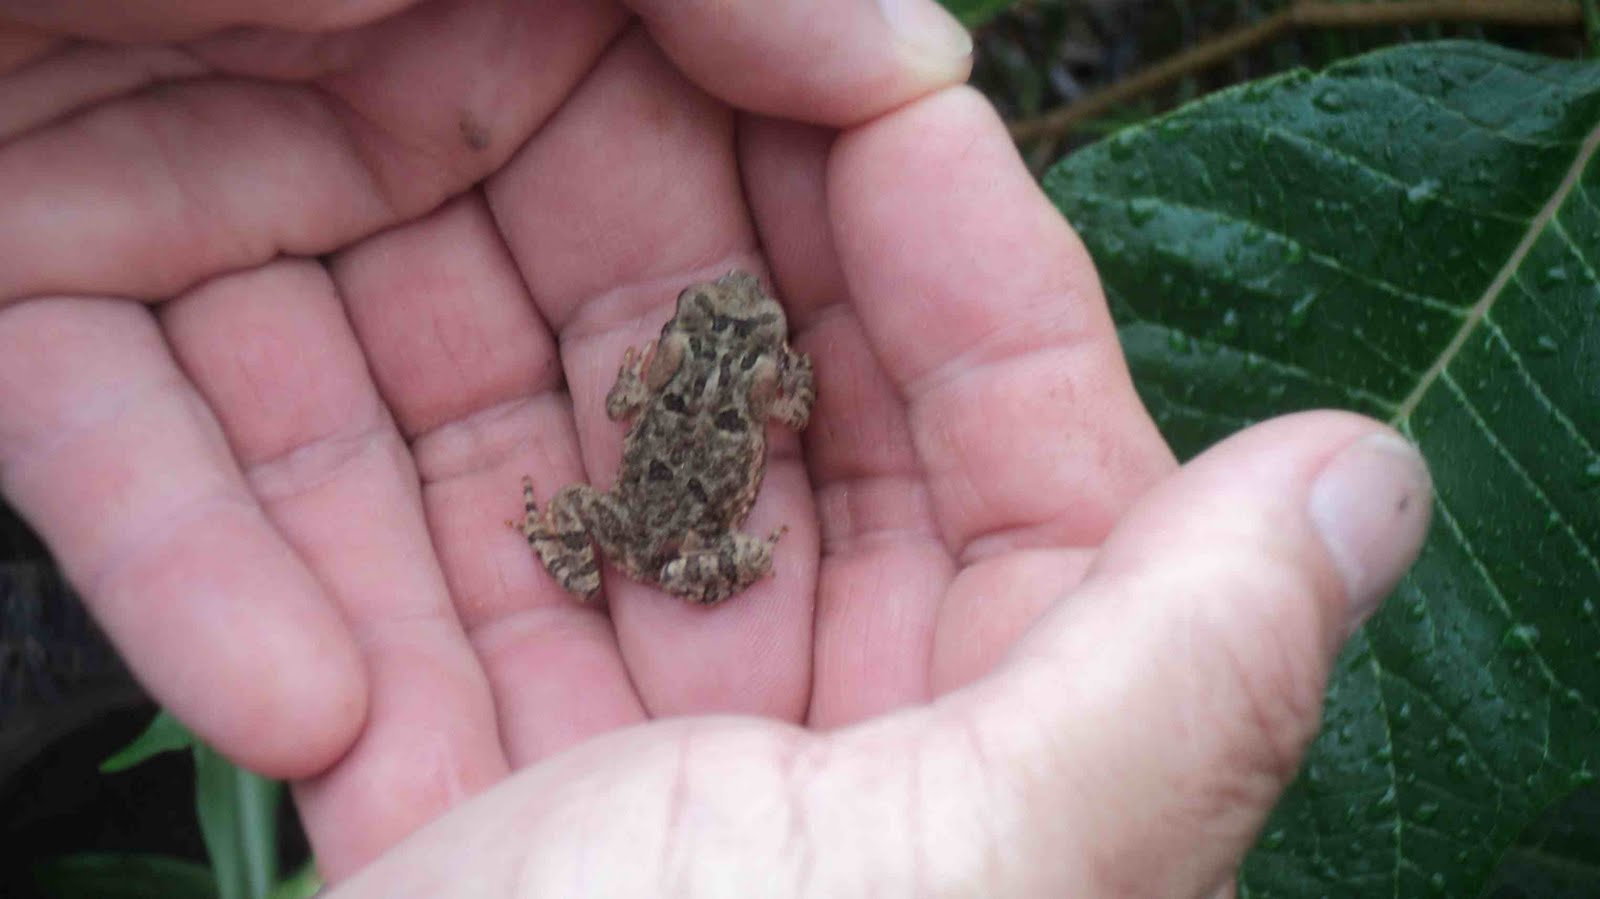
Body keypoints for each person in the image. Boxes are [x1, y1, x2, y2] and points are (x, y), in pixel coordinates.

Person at [0, 1, 1431, 894]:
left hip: (641, 505)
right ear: (717, 343)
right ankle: (643, 554)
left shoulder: (693, 380)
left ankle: (585, 548)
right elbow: (771, 404)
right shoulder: (754, 386)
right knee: (686, 545)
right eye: (727, 324)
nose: (732, 326)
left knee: (600, 521)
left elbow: (650, 401)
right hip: (674, 518)